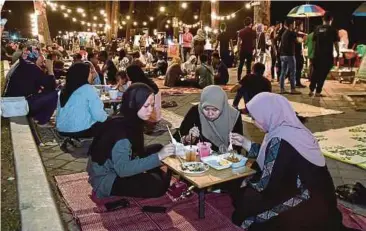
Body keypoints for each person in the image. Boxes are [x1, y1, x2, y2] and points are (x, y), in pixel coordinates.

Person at [229, 92, 345, 231]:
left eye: (255, 118)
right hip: (323, 197)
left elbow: (265, 184)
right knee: (245, 198)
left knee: (244, 209)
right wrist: (246, 143)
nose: (254, 123)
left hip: (307, 201)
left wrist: (244, 181)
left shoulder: (280, 138)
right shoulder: (292, 128)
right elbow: (276, 157)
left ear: (269, 115)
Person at [88, 83, 175, 198]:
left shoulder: (128, 119)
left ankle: (153, 174)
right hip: (106, 179)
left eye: (152, 105)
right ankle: (155, 176)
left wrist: (158, 155)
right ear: (134, 104)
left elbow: (135, 151)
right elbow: (122, 170)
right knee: (157, 185)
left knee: (158, 148)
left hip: (115, 166)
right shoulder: (122, 133)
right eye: (146, 106)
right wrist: (158, 157)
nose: (150, 110)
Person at [174, 85, 243, 153]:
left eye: (215, 109)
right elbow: (178, 136)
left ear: (222, 106)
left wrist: (232, 151)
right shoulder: (196, 111)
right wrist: (188, 138)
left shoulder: (233, 115)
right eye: (206, 109)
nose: (210, 113)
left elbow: (238, 145)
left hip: (225, 160)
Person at [4, 46, 58, 126]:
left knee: (44, 92)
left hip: (13, 104)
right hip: (18, 107)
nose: (43, 59)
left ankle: (37, 117)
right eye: (40, 55)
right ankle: (41, 121)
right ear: (35, 56)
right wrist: (50, 69)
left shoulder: (22, 63)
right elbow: (52, 86)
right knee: (54, 94)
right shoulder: (31, 67)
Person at [56, 63, 108, 137]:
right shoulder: (88, 89)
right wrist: (108, 118)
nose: (92, 75)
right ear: (84, 74)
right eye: (90, 72)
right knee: (110, 124)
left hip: (62, 129)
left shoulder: (63, 89)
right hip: (81, 131)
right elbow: (98, 115)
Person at [309, 11, 339, 97]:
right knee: (323, 74)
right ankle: (318, 91)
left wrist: (313, 53)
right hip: (327, 56)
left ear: (323, 19)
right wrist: (338, 52)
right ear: (331, 20)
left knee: (315, 72)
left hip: (317, 55)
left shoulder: (317, 29)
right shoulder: (333, 30)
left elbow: (314, 42)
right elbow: (336, 43)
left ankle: (311, 90)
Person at [279, 19, 300, 94]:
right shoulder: (291, 33)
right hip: (290, 55)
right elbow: (297, 41)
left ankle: (282, 89)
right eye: (293, 24)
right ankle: (293, 89)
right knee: (292, 72)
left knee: (283, 72)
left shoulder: (284, 33)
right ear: (291, 24)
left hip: (282, 55)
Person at [237, 17, 256, 81]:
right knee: (248, 66)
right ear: (250, 23)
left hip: (242, 50)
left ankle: (239, 78)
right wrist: (255, 50)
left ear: (244, 24)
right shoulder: (253, 32)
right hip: (249, 50)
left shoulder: (241, 31)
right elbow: (254, 43)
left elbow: (238, 42)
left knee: (241, 64)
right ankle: (248, 79)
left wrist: (238, 50)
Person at [294, 21, 306, 88]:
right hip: (297, 54)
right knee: (298, 68)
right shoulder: (295, 34)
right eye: (301, 25)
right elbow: (298, 41)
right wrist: (303, 40)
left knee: (299, 68)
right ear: (298, 26)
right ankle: (297, 82)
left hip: (298, 53)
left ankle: (297, 82)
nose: (302, 27)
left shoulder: (298, 33)